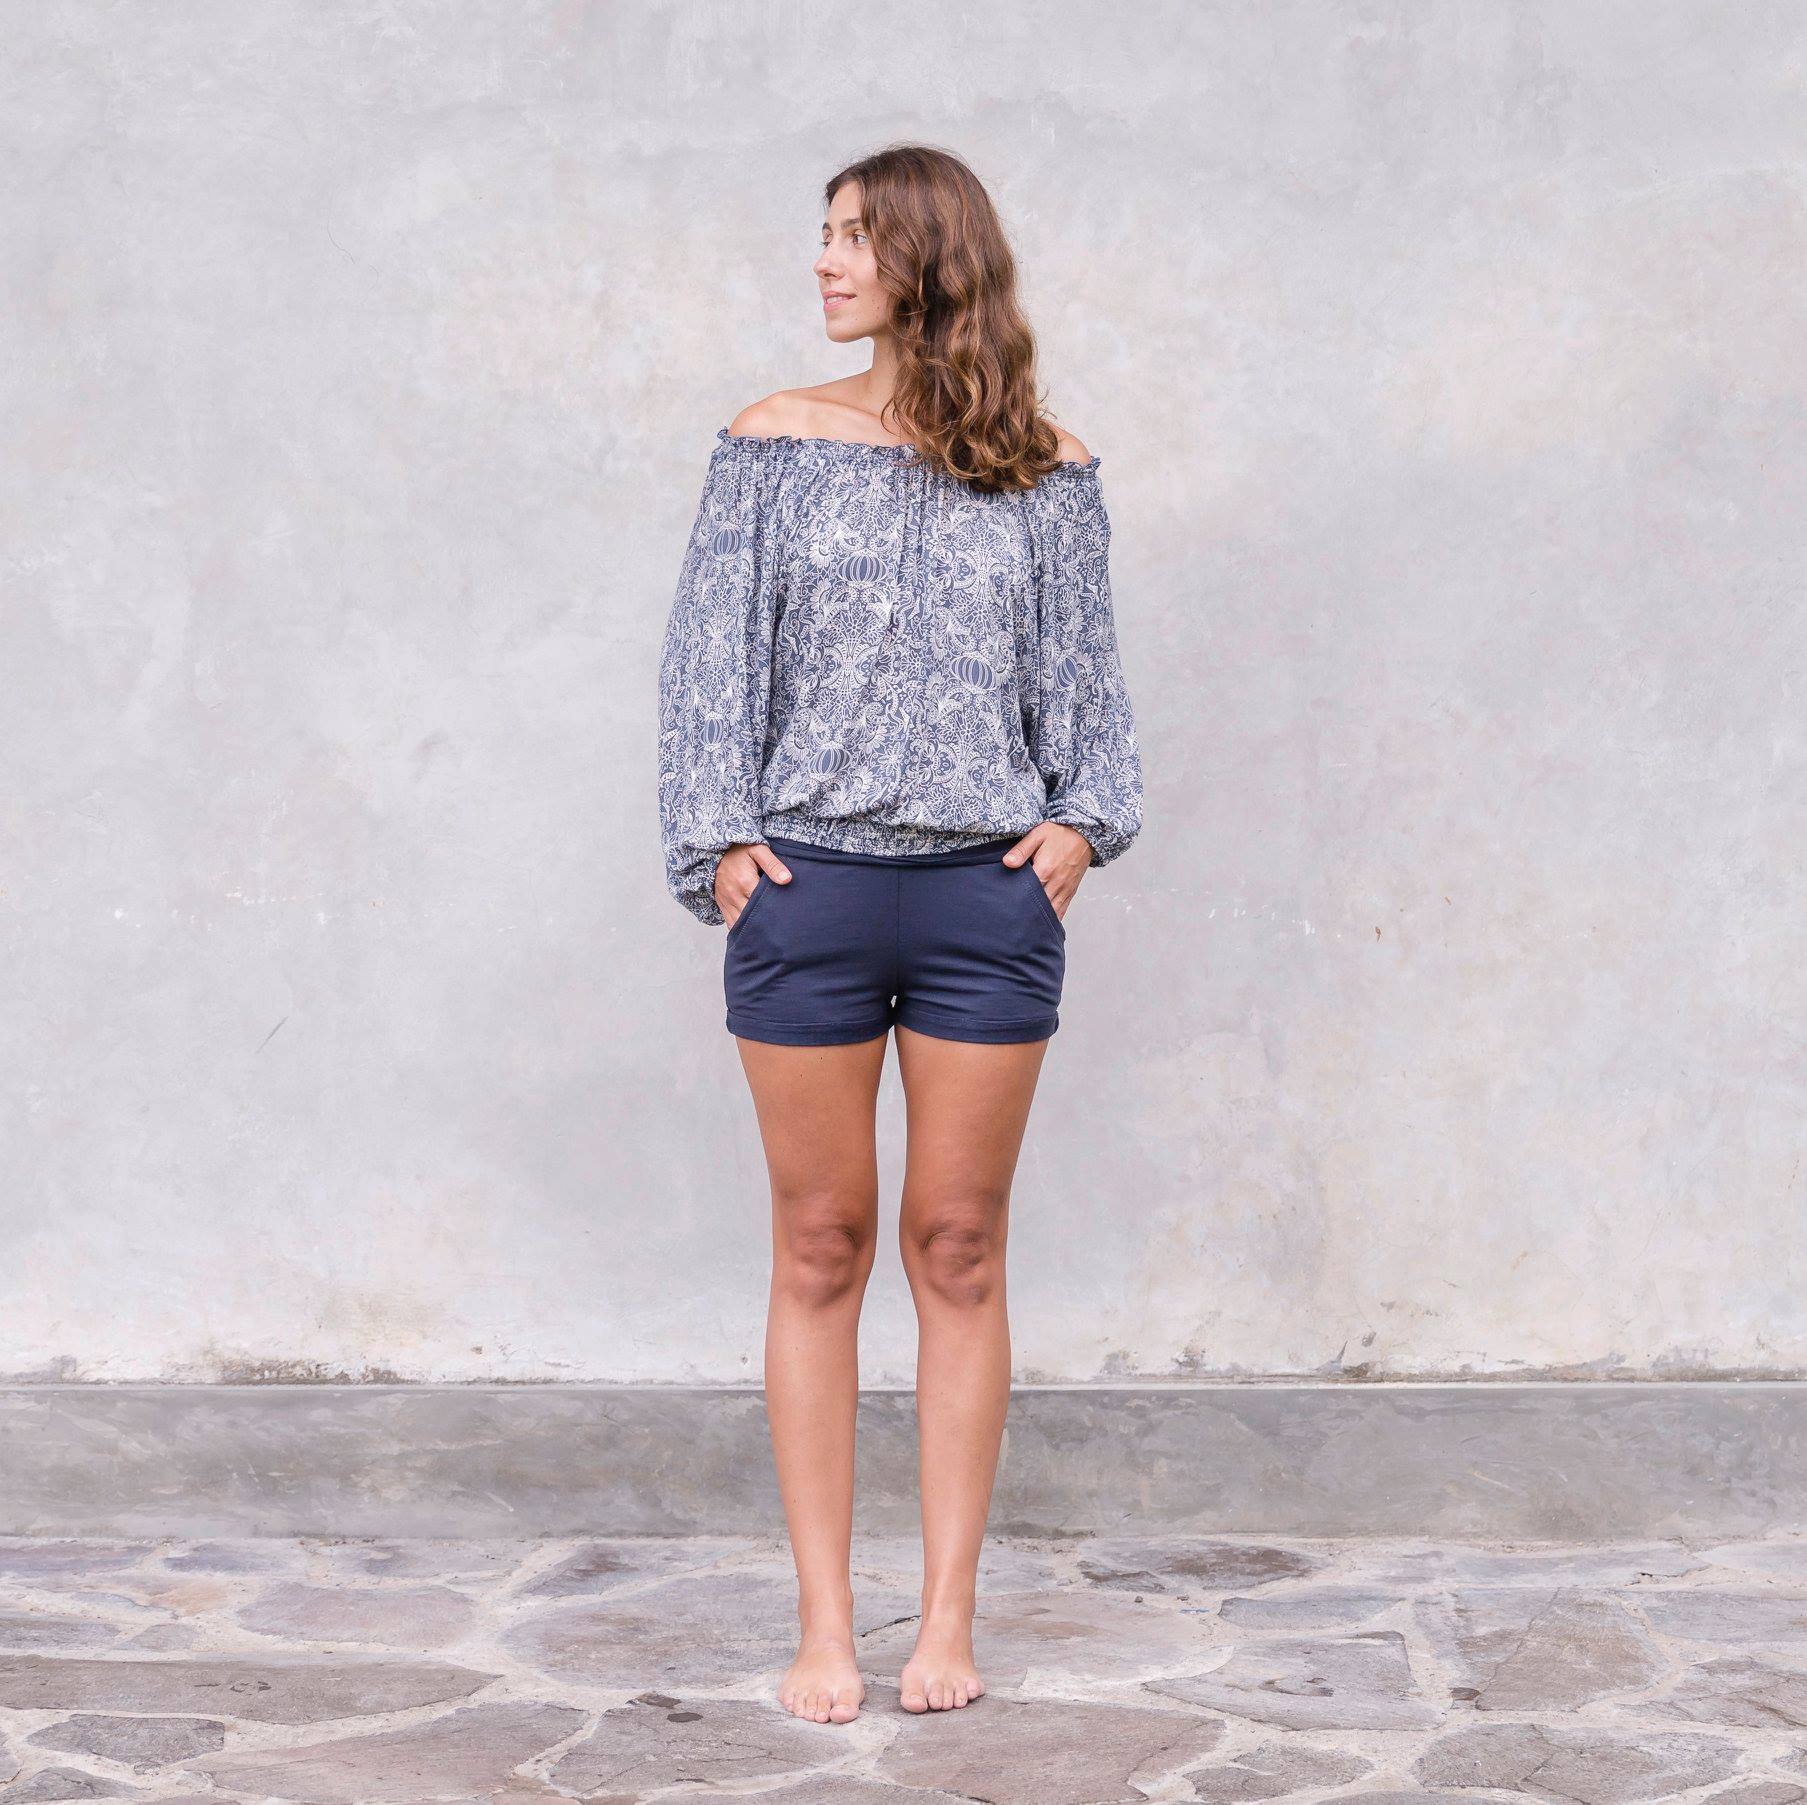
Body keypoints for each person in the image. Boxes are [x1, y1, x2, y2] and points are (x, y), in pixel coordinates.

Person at [655, 143, 1144, 1725]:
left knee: (957, 1242)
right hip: (808, 892)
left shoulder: (1048, 471)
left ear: (931, 260)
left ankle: (945, 1615)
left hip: (980, 908)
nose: (825, 262)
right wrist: (719, 843)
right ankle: (824, 1625)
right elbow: (706, 668)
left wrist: (1080, 826)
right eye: (824, 235)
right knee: (821, 1241)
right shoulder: (772, 445)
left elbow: (1089, 692)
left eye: (855, 237)